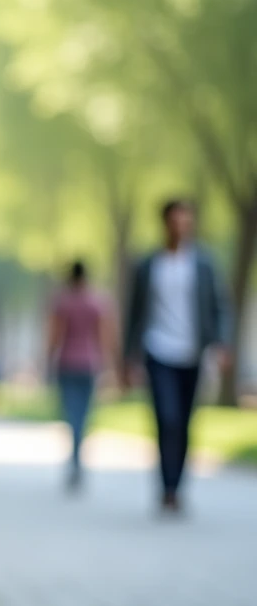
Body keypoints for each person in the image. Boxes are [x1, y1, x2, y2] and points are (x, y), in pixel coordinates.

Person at [123, 198, 231, 514]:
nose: (180, 228)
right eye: (175, 221)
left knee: (184, 421)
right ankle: (167, 486)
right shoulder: (148, 265)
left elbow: (220, 305)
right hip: (158, 350)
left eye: (186, 222)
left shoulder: (204, 264)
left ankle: (177, 486)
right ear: (165, 223)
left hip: (193, 353)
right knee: (166, 418)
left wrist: (221, 343)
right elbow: (135, 312)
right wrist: (129, 357)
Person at [47, 261, 116, 491]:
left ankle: (75, 460)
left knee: (71, 413)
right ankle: (77, 460)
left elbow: (54, 335)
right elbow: (104, 336)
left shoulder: (62, 302)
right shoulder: (97, 302)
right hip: (89, 364)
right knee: (83, 415)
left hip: (67, 363)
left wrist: (48, 359)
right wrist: (107, 364)